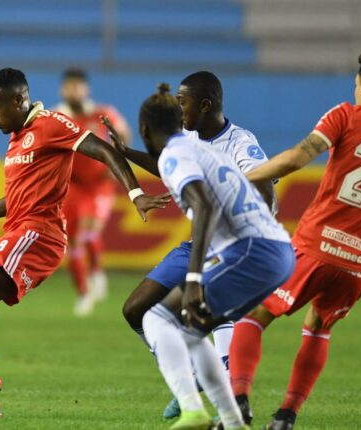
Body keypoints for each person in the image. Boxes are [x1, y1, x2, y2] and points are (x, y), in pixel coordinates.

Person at [0, 68, 169, 419]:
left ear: (19, 100)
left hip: (39, 236)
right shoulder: (18, 135)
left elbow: (106, 152)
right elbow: (16, 197)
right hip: (14, 232)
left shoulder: (52, 124)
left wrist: (136, 192)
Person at [228, 52, 361, 430]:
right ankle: (286, 417)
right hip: (358, 264)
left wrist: (245, 177)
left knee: (254, 314)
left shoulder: (346, 114)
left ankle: (238, 401)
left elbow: (298, 157)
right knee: (319, 327)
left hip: (315, 246)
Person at [106, 71, 275, 420]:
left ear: (205, 104)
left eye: (183, 102)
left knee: (212, 312)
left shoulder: (241, 143)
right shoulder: (186, 139)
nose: (178, 108)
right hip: (199, 241)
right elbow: (168, 167)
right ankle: (191, 374)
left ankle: (231, 408)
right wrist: (128, 153)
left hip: (233, 244)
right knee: (135, 309)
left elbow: (263, 183)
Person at [53, 68, 132, 316]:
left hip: (98, 183)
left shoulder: (102, 113)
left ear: (85, 89)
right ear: (62, 90)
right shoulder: (55, 116)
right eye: (69, 86)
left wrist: (117, 159)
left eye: (77, 86)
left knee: (89, 231)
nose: (73, 91)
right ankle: (83, 292)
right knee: (72, 240)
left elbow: (124, 133)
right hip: (71, 184)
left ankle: (96, 271)